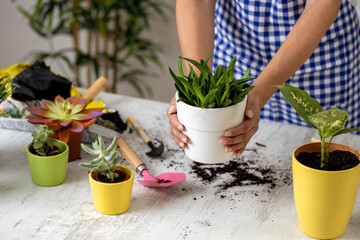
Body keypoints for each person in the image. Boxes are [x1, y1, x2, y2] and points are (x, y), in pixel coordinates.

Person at [167, 0, 360, 156]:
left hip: (319, 64)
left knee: (328, 154)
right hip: (237, 55)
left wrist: (259, 93)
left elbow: (322, 3)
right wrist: (196, 88)